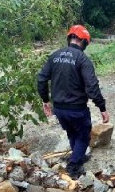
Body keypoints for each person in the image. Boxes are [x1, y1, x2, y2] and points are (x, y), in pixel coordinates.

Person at [37, 24, 110, 178]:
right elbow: (92, 87)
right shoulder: (82, 59)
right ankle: (73, 167)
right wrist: (102, 108)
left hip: (59, 109)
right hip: (77, 109)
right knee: (83, 136)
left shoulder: (54, 56)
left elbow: (41, 79)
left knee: (72, 132)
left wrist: (45, 100)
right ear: (83, 41)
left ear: (70, 38)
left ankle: (78, 156)